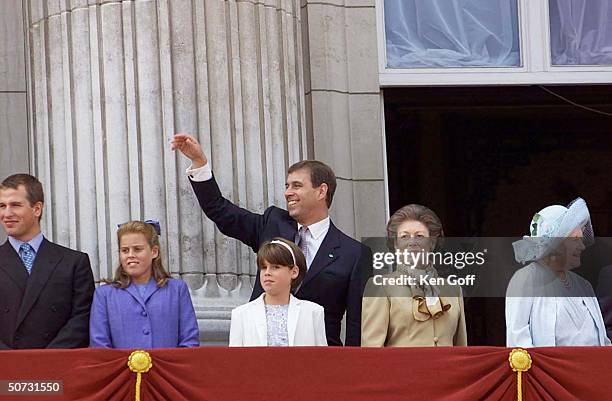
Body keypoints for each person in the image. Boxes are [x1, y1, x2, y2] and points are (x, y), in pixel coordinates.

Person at [171, 133, 370, 346]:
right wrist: (199, 163)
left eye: (296, 186)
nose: (287, 193)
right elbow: (221, 211)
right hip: (260, 353)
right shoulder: (273, 223)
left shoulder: (354, 253)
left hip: (318, 360)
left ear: (321, 191)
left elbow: (357, 326)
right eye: (287, 186)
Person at [0, 174, 94, 349]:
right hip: (5, 367)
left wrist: (46, 360)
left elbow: (82, 317)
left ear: (37, 209)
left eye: (15, 205)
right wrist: (10, 359)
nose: (6, 213)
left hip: (57, 367)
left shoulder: (74, 262)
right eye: (2, 206)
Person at [506, 198, 611, 347]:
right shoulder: (525, 280)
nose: (582, 246)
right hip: (548, 370)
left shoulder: (584, 285)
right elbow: (519, 347)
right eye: (576, 239)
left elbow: (604, 343)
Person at [361, 204, 467, 346]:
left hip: (448, 369)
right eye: (404, 236)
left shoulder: (453, 289)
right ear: (396, 244)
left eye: (419, 236)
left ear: (432, 242)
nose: (412, 242)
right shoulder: (379, 286)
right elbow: (372, 352)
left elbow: (461, 348)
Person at [89, 220, 199, 349]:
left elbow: (189, 341)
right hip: (121, 369)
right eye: (124, 250)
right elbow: (100, 346)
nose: (130, 255)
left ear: (154, 252)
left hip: (167, 369)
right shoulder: (104, 295)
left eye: (137, 249)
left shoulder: (177, 290)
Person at [229, 238, 327, 346]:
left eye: (275, 267)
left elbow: (320, 358)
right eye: (263, 267)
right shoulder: (241, 314)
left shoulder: (313, 312)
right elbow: (236, 360)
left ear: (294, 272)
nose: (267, 273)